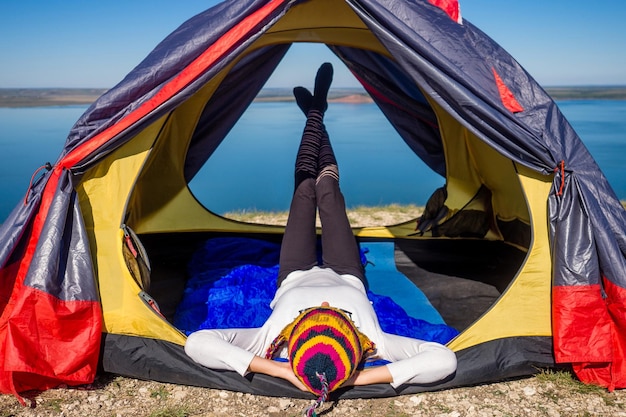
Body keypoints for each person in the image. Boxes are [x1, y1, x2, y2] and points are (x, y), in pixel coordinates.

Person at [184, 63, 457, 415]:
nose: (326, 308)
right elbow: (443, 359)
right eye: (336, 320)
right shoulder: (375, 345)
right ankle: (318, 111)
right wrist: (353, 377)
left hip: (293, 273)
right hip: (347, 273)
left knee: (303, 191)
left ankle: (313, 114)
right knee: (327, 190)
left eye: (316, 319)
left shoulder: (271, 344)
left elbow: (198, 343)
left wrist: (279, 368)